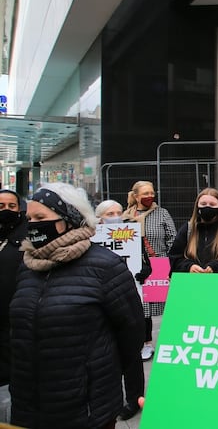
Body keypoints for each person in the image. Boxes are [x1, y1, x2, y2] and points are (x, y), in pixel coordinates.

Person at [10, 183, 144, 428]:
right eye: (29, 218)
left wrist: (96, 376)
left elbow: (131, 333)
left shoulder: (106, 267)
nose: (32, 224)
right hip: (29, 407)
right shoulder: (26, 267)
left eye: (41, 217)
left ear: (69, 218)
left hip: (86, 408)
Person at [95, 199, 150, 420]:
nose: (116, 216)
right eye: (110, 213)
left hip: (128, 299)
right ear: (100, 217)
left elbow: (147, 263)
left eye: (119, 212)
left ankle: (134, 399)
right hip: (101, 302)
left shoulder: (134, 236)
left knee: (132, 354)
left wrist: (143, 271)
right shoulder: (91, 238)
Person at [122, 180, 177, 361]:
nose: (149, 196)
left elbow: (172, 239)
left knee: (162, 306)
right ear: (136, 196)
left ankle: (171, 343)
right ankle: (146, 343)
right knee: (142, 308)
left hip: (158, 264)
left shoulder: (162, 214)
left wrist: (169, 264)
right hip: (137, 267)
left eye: (151, 192)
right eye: (145, 193)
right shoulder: (126, 216)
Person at [168, 188, 218, 274]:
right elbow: (174, 259)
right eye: (203, 204)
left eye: (212, 204)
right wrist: (189, 267)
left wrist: (217, 267)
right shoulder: (187, 230)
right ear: (197, 207)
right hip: (191, 284)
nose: (207, 207)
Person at [0, 190, 26, 423]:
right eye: (1, 206)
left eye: (11, 206)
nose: (6, 211)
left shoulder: (27, 239)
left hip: (14, 323)